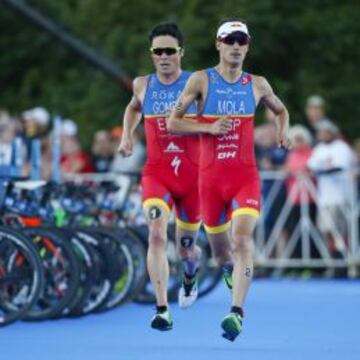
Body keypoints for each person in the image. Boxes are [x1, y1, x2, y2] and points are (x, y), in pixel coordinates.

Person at [168, 18, 290, 341]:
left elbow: (281, 110)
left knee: (242, 241)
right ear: (218, 44)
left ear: (247, 46)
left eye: (242, 40)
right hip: (209, 181)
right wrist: (207, 128)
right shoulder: (200, 80)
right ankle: (213, 271)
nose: (236, 46)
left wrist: (282, 132)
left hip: (244, 177)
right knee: (223, 254)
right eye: (230, 40)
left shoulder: (257, 84)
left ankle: (236, 313)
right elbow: (172, 123)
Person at [117, 22, 210, 331]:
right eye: (159, 51)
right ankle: (162, 309)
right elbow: (133, 109)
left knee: (185, 247)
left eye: (170, 50)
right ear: (152, 54)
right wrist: (127, 135)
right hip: (157, 175)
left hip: (192, 178)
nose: (165, 56)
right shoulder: (142, 84)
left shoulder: (197, 83)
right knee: (156, 233)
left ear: (180, 53)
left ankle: (190, 273)